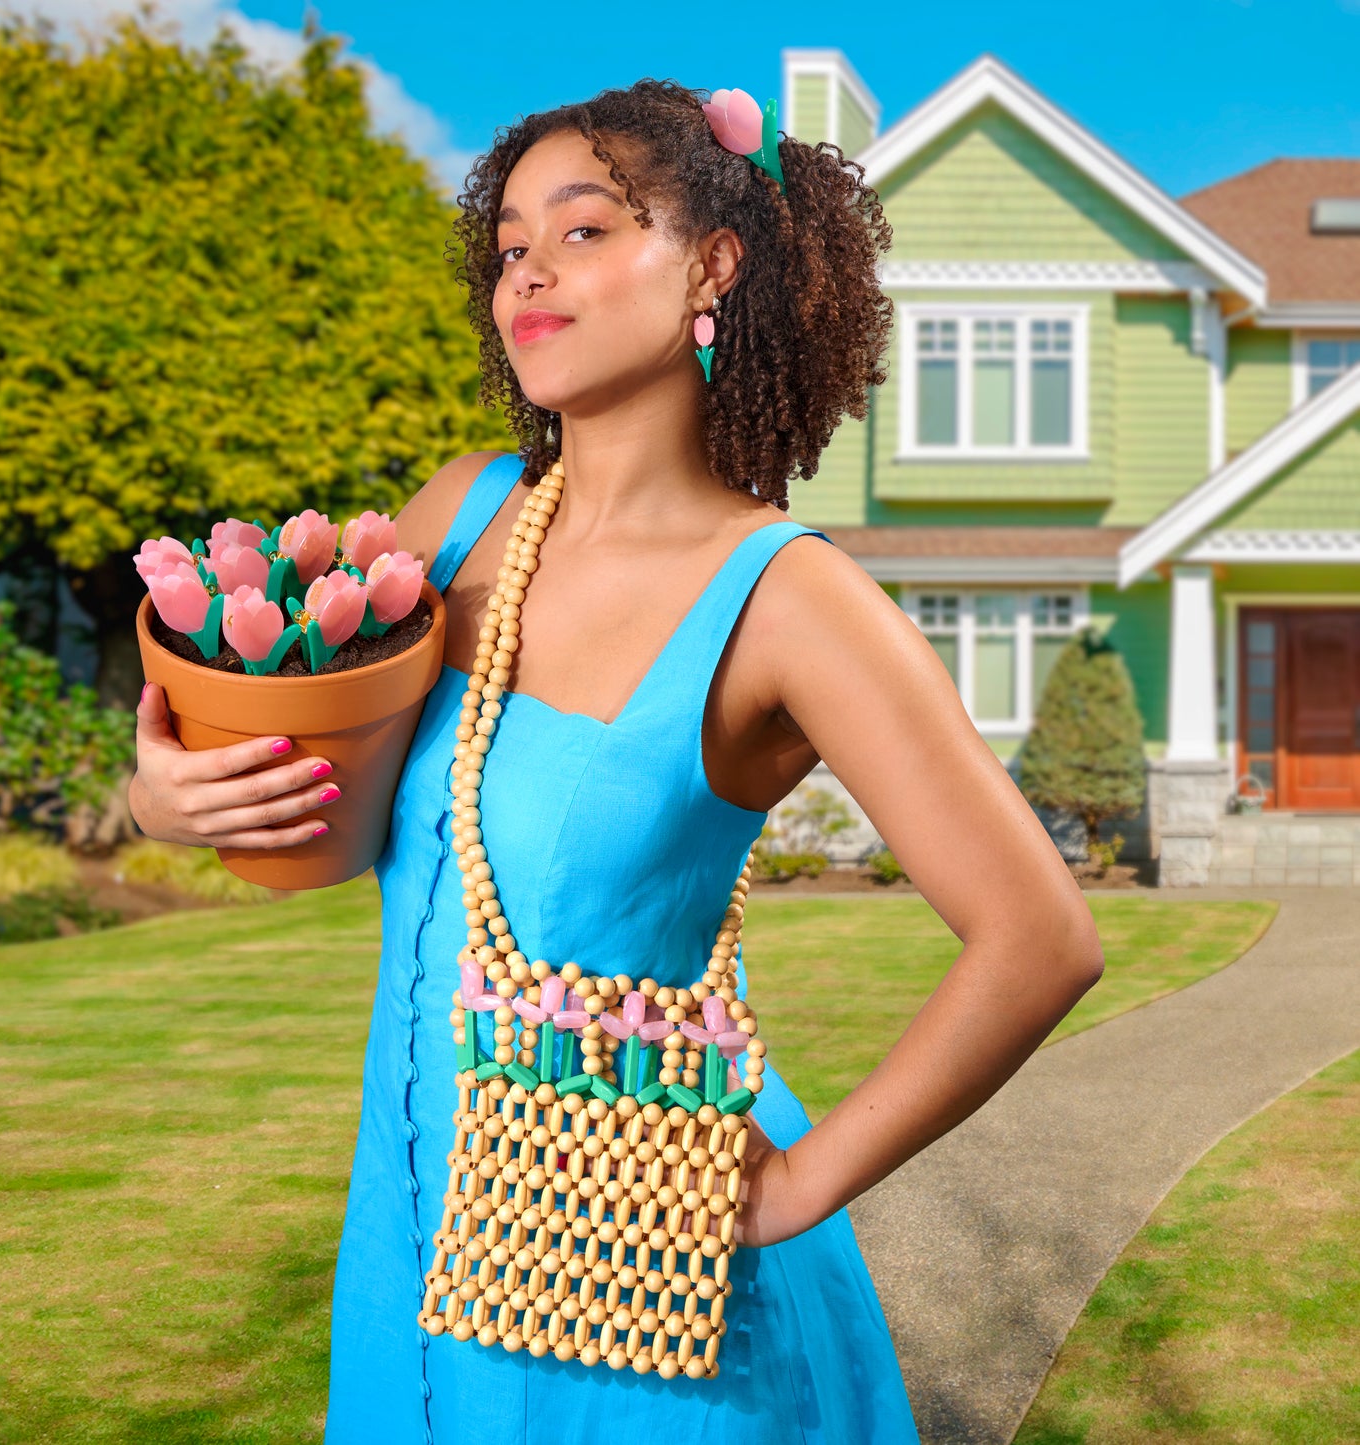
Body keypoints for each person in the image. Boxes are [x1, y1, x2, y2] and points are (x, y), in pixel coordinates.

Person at [130, 78, 1104, 1445]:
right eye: (510, 243)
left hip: (638, 1289)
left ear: (712, 265)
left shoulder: (788, 599)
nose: (527, 269)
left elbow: (1037, 935)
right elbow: (334, 847)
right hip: (411, 1230)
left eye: (583, 231)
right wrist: (170, 795)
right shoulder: (459, 518)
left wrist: (793, 1184)